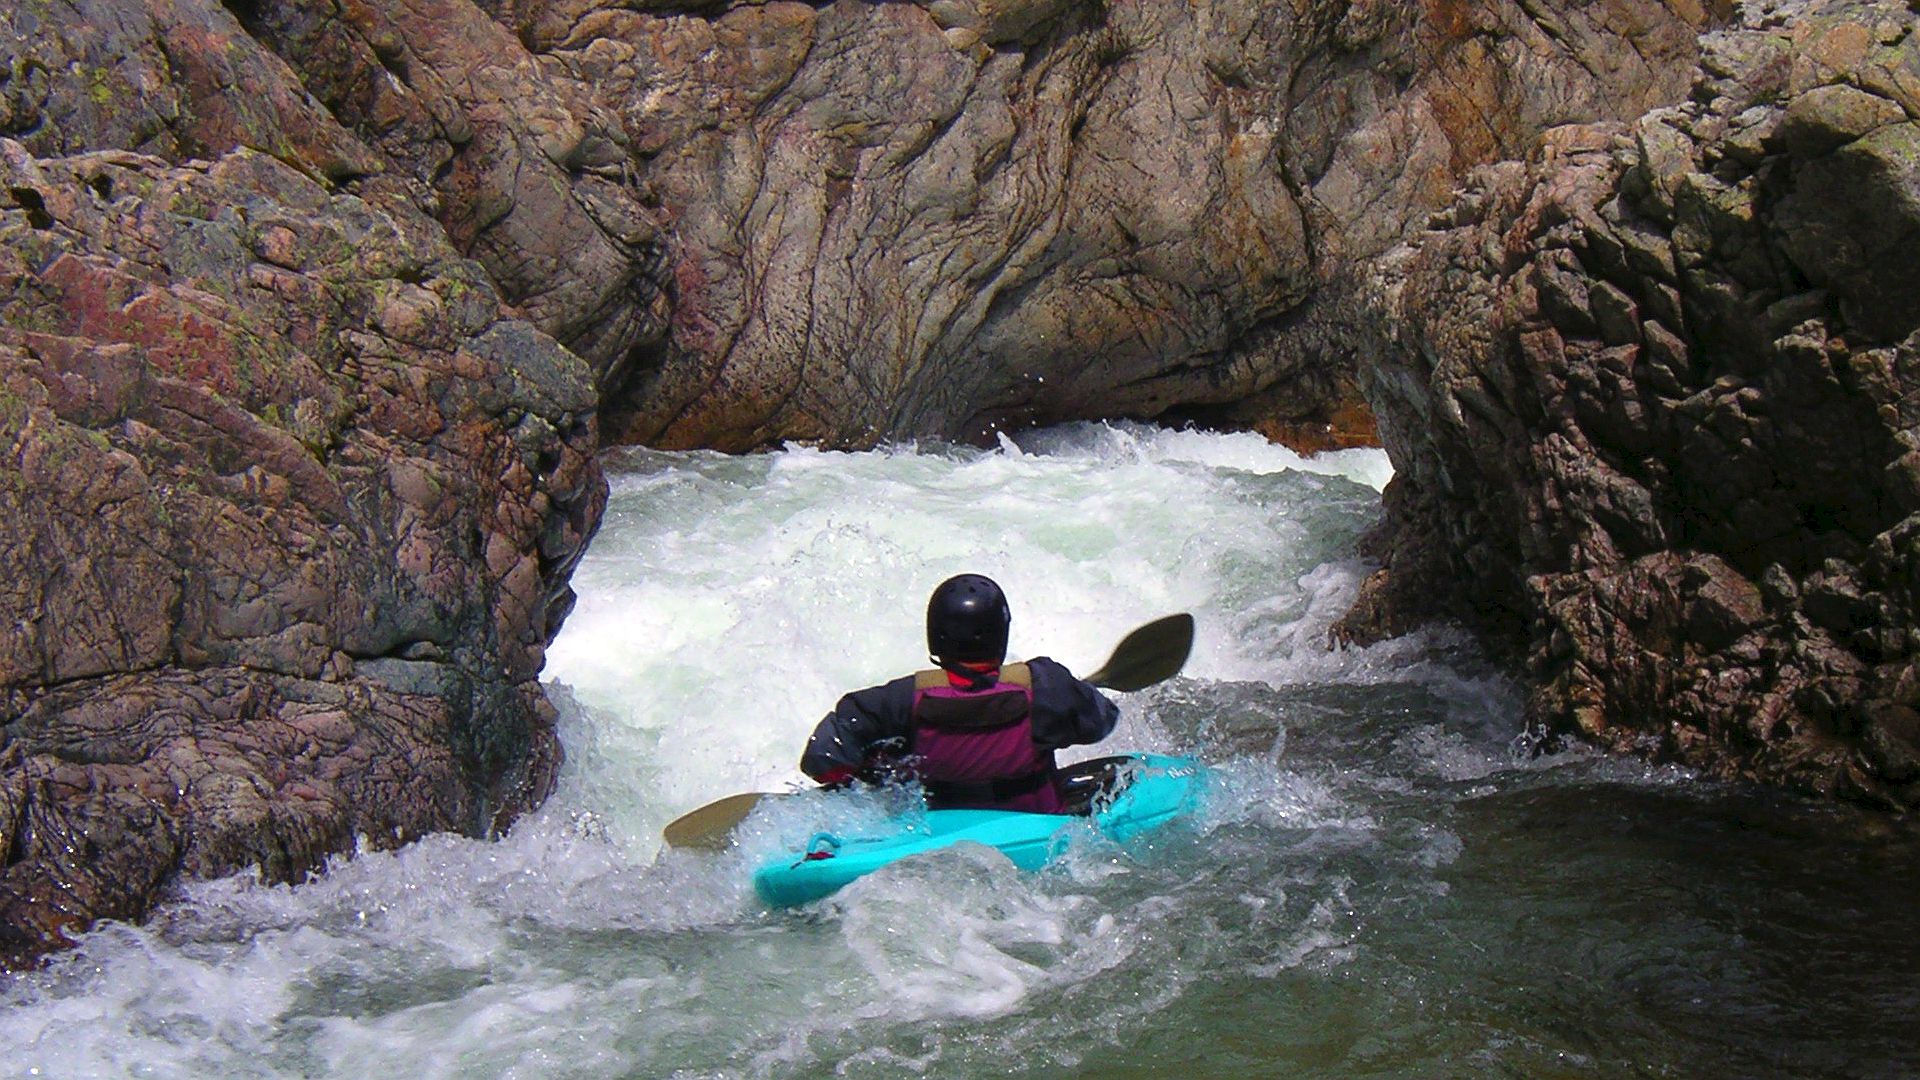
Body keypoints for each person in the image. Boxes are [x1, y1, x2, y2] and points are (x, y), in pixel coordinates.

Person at [799, 574, 1120, 814]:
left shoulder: (893, 702)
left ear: (934, 635)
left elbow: (823, 760)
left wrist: (878, 774)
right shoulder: (1047, 687)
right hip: (1035, 828)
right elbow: (1102, 723)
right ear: (1001, 632)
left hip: (936, 836)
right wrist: (1077, 696)